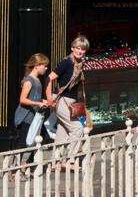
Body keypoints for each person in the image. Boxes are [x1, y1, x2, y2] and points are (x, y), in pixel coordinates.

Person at [46, 35, 91, 163]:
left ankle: (54, 162)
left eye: (83, 49)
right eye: (77, 48)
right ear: (72, 48)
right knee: (77, 128)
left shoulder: (80, 63)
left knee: (63, 131)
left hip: (70, 101)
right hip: (61, 100)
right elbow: (49, 78)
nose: (80, 51)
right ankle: (69, 160)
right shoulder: (67, 62)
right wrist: (49, 98)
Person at [14, 53, 51, 156]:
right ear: (36, 66)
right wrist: (38, 103)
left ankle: (28, 164)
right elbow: (22, 99)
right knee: (22, 142)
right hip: (25, 116)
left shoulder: (38, 80)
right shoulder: (29, 81)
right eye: (44, 65)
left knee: (38, 138)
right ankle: (15, 168)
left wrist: (42, 101)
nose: (46, 68)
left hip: (34, 116)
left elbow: (35, 97)